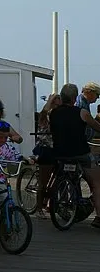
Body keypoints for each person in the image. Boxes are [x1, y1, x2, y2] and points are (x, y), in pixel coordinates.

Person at [44, 82, 100, 228]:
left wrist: (49, 102)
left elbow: (43, 117)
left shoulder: (53, 113)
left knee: (60, 175)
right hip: (81, 154)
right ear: (75, 98)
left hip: (60, 154)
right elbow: (97, 127)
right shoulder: (82, 113)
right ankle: (99, 217)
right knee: (97, 183)